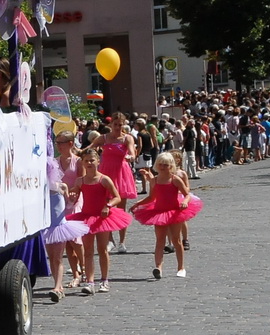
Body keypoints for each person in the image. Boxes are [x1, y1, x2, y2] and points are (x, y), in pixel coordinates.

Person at [69, 146, 131, 294]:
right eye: (86, 161)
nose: (89, 163)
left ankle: (104, 280)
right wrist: (71, 196)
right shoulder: (80, 181)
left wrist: (108, 205)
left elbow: (117, 197)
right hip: (86, 217)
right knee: (88, 251)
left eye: (92, 160)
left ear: (98, 161)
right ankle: (90, 282)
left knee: (102, 249)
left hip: (102, 218)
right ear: (83, 163)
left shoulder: (104, 179)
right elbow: (74, 196)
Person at [132, 151, 202, 279]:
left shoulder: (175, 179)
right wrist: (138, 204)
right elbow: (152, 197)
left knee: (176, 240)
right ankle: (158, 267)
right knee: (160, 240)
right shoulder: (155, 180)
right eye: (160, 164)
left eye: (165, 165)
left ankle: (181, 267)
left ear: (171, 166)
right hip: (159, 212)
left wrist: (185, 202)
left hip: (174, 212)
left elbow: (186, 194)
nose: (163, 167)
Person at [40, 135, 89, 303]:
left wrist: (73, 195)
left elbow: (74, 192)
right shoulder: (43, 186)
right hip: (48, 224)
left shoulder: (65, 181)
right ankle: (60, 283)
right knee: (52, 256)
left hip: (64, 218)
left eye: (60, 143)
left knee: (67, 249)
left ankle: (81, 272)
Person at [96, 113, 139, 253]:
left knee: (121, 208)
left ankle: (122, 241)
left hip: (121, 174)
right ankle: (110, 240)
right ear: (111, 125)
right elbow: (89, 147)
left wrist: (131, 157)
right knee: (105, 208)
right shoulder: (104, 138)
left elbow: (132, 152)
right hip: (106, 173)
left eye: (120, 125)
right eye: (115, 124)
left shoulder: (127, 138)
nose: (117, 127)